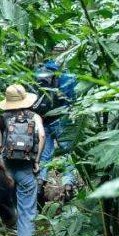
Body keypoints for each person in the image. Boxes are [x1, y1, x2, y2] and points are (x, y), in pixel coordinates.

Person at [0, 83, 45, 236]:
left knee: (7, 209)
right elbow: (42, 136)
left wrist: (1, 168)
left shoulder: (0, 119)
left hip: (6, 170)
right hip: (25, 170)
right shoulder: (35, 117)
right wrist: (36, 161)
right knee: (28, 212)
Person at [33, 56, 78, 189]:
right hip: (61, 119)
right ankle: (68, 184)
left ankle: (40, 181)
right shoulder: (66, 77)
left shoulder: (38, 74)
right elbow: (72, 99)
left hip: (44, 120)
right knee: (66, 152)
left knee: (45, 153)